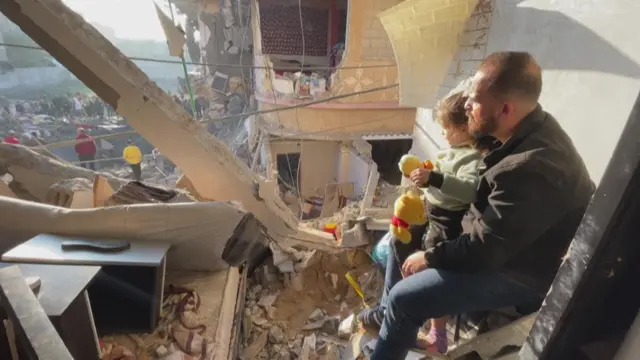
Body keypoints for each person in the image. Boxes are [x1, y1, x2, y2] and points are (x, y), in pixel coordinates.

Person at [363, 52, 595, 360]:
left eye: (474, 101)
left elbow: (485, 248)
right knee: (400, 238)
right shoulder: (523, 131)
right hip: (506, 245)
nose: (466, 106)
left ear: (505, 108)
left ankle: (398, 322)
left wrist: (430, 256)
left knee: (405, 299)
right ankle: (390, 318)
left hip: (524, 272)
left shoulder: (530, 166)